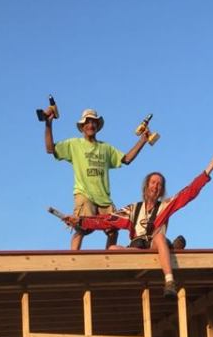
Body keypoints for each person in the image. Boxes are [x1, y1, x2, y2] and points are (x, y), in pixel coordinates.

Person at [68, 154, 213, 297]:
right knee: (112, 249)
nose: (155, 186)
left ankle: (169, 281)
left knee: (159, 237)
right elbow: (107, 220)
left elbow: (188, 193)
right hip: (137, 247)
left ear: (161, 190)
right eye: (153, 183)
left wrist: (210, 167)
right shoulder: (133, 209)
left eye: (159, 185)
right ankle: (171, 249)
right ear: (146, 186)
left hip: (154, 244)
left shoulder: (164, 206)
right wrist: (80, 221)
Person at [45, 107, 149, 250]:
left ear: (98, 126)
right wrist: (48, 124)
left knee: (113, 229)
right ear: (82, 127)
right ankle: (72, 257)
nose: (90, 125)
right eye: (87, 122)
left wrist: (142, 141)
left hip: (104, 198)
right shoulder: (74, 144)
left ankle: (110, 258)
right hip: (84, 194)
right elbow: (50, 149)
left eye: (93, 122)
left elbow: (126, 159)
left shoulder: (105, 148)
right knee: (81, 226)